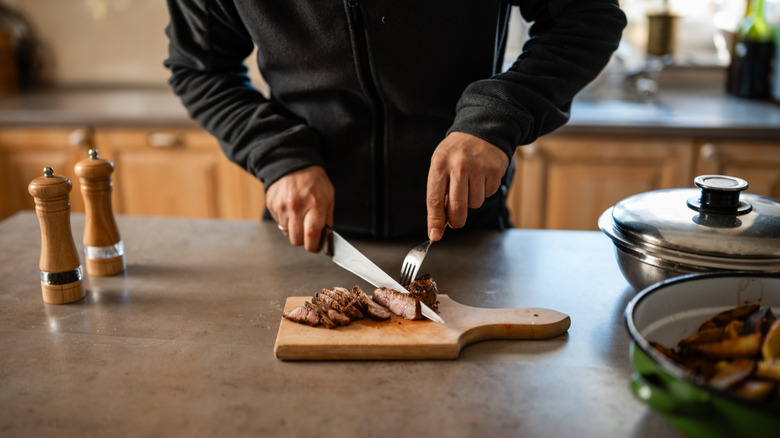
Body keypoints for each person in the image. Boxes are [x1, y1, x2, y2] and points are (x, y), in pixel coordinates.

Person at [164, 1, 626, 252]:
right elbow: (200, 68)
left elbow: (587, 18)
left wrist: (496, 116)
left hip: (465, 230)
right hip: (307, 235)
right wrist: (278, 155)